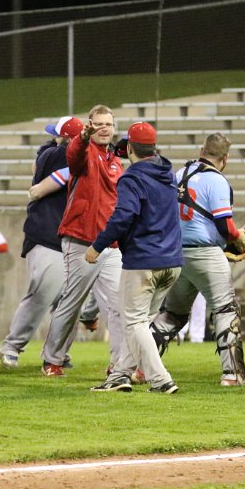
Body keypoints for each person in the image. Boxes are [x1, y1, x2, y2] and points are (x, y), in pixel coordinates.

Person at [148, 132, 245, 386]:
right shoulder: (217, 180)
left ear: (202, 150)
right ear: (225, 158)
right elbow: (224, 225)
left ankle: (141, 367)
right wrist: (237, 236)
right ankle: (232, 374)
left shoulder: (179, 174)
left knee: (173, 313)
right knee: (226, 309)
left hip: (176, 253)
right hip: (205, 253)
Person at [86, 122, 183, 394]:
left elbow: (123, 216)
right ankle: (120, 375)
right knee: (138, 324)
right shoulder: (168, 173)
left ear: (130, 148)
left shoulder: (132, 177)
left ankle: (161, 379)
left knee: (134, 322)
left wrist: (97, 246)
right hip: (172, 261)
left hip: (144, 260)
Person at [40, 105, 125, 377]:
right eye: (98, 124)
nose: (104, 128)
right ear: (89, 125)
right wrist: (83, 137)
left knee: (118, 306)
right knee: (72, 301)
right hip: (81, 239)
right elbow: (73, 155)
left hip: (110, 244)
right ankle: (52, 359)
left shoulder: (116, 160)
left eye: (108, 124)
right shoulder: (84, 151)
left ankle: (120, 364)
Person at [0, 116, 84, 368]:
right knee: (43, 292)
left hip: (70, 236)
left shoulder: (57, 153)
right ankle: (12, 345)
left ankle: (57, 354)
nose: (52, 138)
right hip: (47, 233)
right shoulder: (56, 154)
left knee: (70, 301)